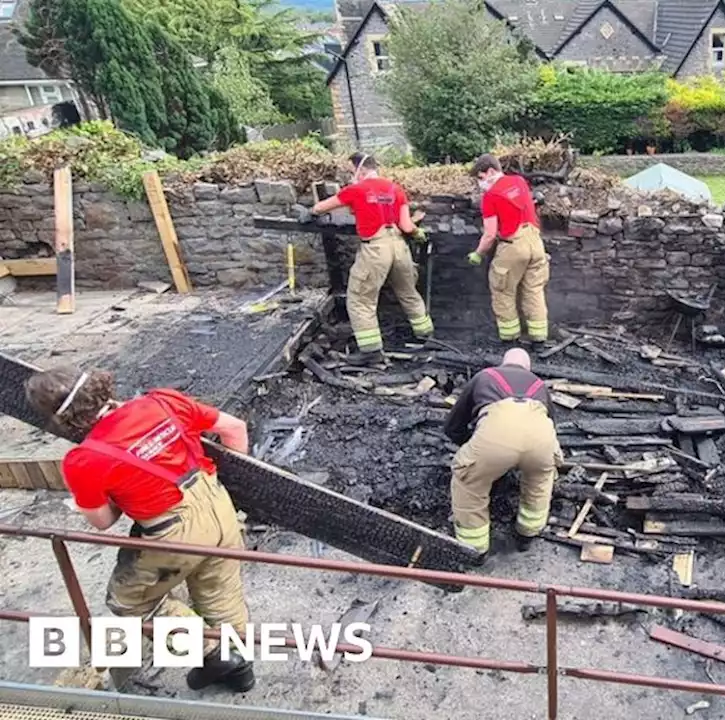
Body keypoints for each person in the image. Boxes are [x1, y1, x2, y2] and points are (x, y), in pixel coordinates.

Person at [25, 367, 256, 691]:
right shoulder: (162, 401)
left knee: (130, 602)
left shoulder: (84, 460)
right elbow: (234, 428)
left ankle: (213, 653)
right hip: (219, 502)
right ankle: (241, 669)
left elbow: (103, 521)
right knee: (220, 589)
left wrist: (123, 492)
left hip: (173, 528)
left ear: (61, 418)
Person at [310, 152, 433, 365]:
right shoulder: (396, 188)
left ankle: (371, 351)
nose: (351, 175)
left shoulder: (355, 189)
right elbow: (406, 226)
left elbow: (320, 207)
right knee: (408, 292)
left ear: (362, 169)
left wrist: (310, 211)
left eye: (352, 171)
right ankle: (427, 336)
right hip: (399, 246)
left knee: (360, 299)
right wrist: (418, 234)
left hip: (375, 249)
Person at [442, 348, 560, 557]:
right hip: (542, 440)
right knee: (539, 480)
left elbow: (453, 426)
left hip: (496, 437)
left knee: (469, 483)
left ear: (503, 363)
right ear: (528, 368)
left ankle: (475, 551)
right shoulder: (539, 384)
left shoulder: (485, 376)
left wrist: (474, 451)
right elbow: (551, 423)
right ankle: (527, 536)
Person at [469, 154, 550, 344]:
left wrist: (478, 253)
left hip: (513, 246)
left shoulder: (490, 196)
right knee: (534, 290)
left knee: (503, 290)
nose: (481, 184)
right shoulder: (519, 181)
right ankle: (539, 338)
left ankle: (509, 338)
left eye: (480, 178)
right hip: (536, 243)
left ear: (490, 171)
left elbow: (490, 234)